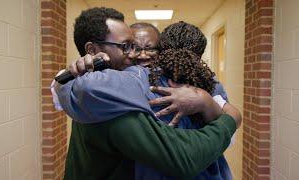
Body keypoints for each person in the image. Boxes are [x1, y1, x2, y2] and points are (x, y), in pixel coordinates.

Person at [54, 7, 238, 179]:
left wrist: (207, 103)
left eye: (150, 48)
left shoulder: (124, 84)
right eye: (127, 46)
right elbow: (183, 156)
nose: (137, 55)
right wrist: (230, 118)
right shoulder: (110, 97)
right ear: (93, 50)